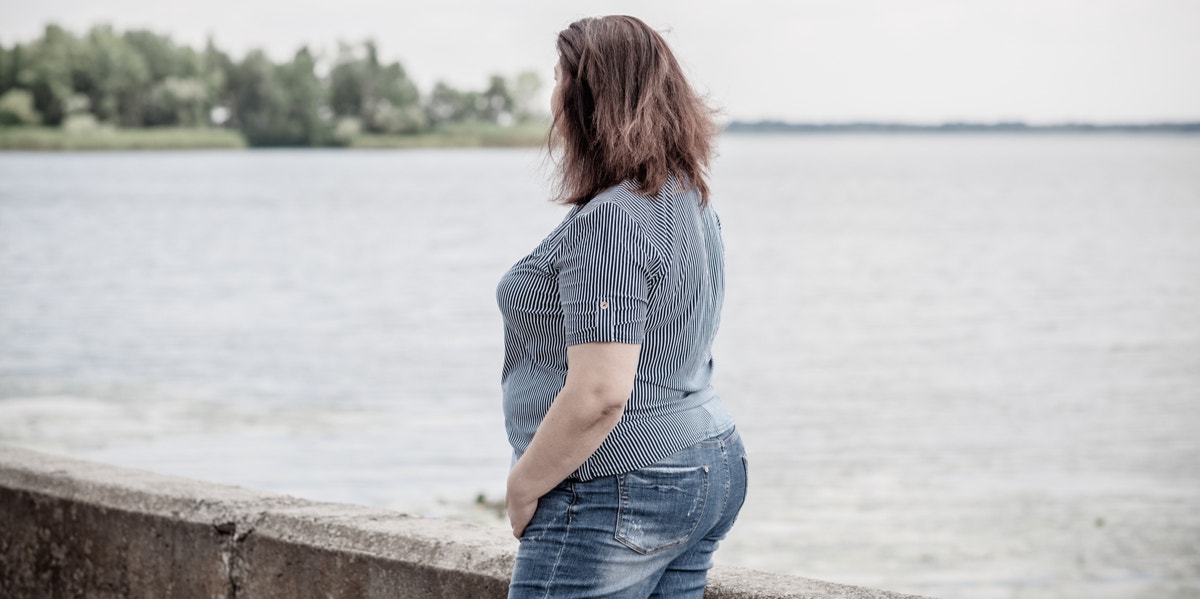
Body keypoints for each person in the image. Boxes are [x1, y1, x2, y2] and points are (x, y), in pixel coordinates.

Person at [496, 15, 747, 599]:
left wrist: (525, 485)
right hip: (707, 462)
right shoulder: (689, 200)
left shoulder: (612, 217)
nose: (553, 102)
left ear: (588, 100)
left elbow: (601, 394)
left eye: (560, 82)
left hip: (619, 482)